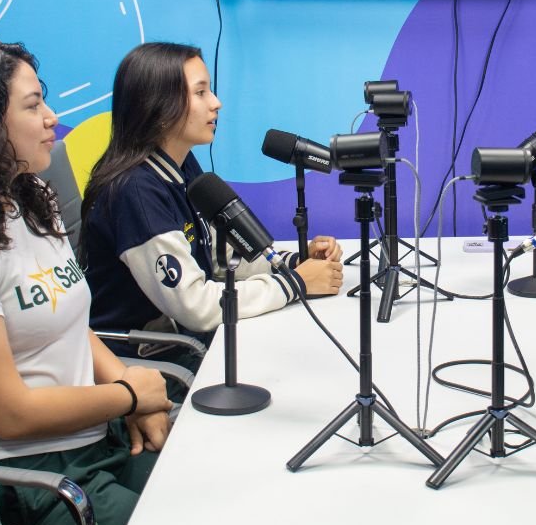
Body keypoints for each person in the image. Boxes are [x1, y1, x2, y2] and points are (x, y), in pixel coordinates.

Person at [0, 39, 171, 525]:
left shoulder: (29, 198)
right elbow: (9, 413)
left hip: (89, 441)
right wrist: (128, 396)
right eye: (33, 104)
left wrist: (130, 385)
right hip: (14, 476)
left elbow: (62, 322)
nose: (51, 117)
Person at [81, 42, 343, 373]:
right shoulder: (135, 193)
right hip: (147, 359)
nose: (216, 103)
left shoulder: (182, 165)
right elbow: (196, 306)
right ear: (157, 106)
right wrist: (297, 284)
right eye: (201, 92)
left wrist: (294, 262)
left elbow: (218, 262)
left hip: (187, 340)